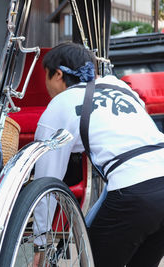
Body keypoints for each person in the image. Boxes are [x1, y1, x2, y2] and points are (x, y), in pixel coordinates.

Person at [33, 42, 164, 267]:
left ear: (57, 74)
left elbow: (45, 182)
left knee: (93, 261)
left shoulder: (59, 104)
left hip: (134, 192)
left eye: (46, 76)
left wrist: (41, 242)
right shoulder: (119, 86)